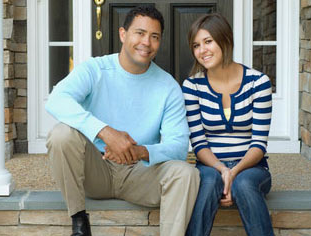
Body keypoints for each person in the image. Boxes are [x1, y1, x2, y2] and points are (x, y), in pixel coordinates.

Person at [45, 5, 200, 236]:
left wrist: (138, 152)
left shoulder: (168, 87)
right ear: (122, 34)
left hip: (139, 173)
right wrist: (105, 132)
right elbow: (56, 99)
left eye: (154, 36)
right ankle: (78, 221)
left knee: (187, 173)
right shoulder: (95, 69)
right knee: (61, 134)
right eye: (139, 33)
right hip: (94, 170)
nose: (146, 42)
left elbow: (177, 148)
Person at [182, 13, 274, 236]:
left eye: (208, 41)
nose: (202, 50)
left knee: (243, 184)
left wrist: (234, 173)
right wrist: (223, 170)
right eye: (196, 45)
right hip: (210, 166)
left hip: (252, 168)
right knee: (209, 181)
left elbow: (258, 144)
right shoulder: (192, 86)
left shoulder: (258, 83)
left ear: (225, 40)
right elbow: (199, 144)